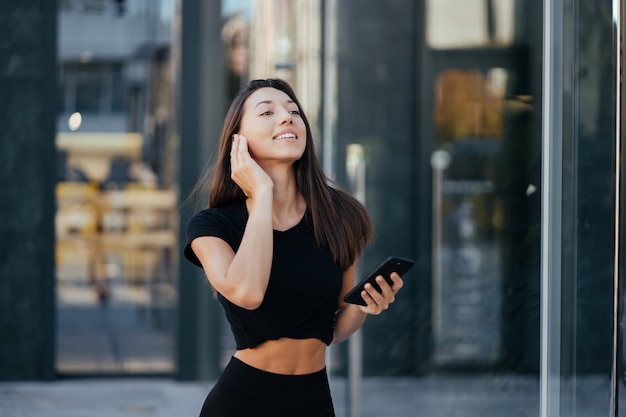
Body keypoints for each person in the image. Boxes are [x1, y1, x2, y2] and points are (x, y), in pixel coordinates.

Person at [184, 78, 404, 417]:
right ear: (238, 140)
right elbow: (247, 292)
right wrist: (261, 195)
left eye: (293, 111)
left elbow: (331, 328)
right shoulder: (211, 226)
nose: (286, 118)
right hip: (242, 402)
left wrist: (365, 305)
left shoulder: (341, 215)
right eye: (267, 112)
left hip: (314, 400)